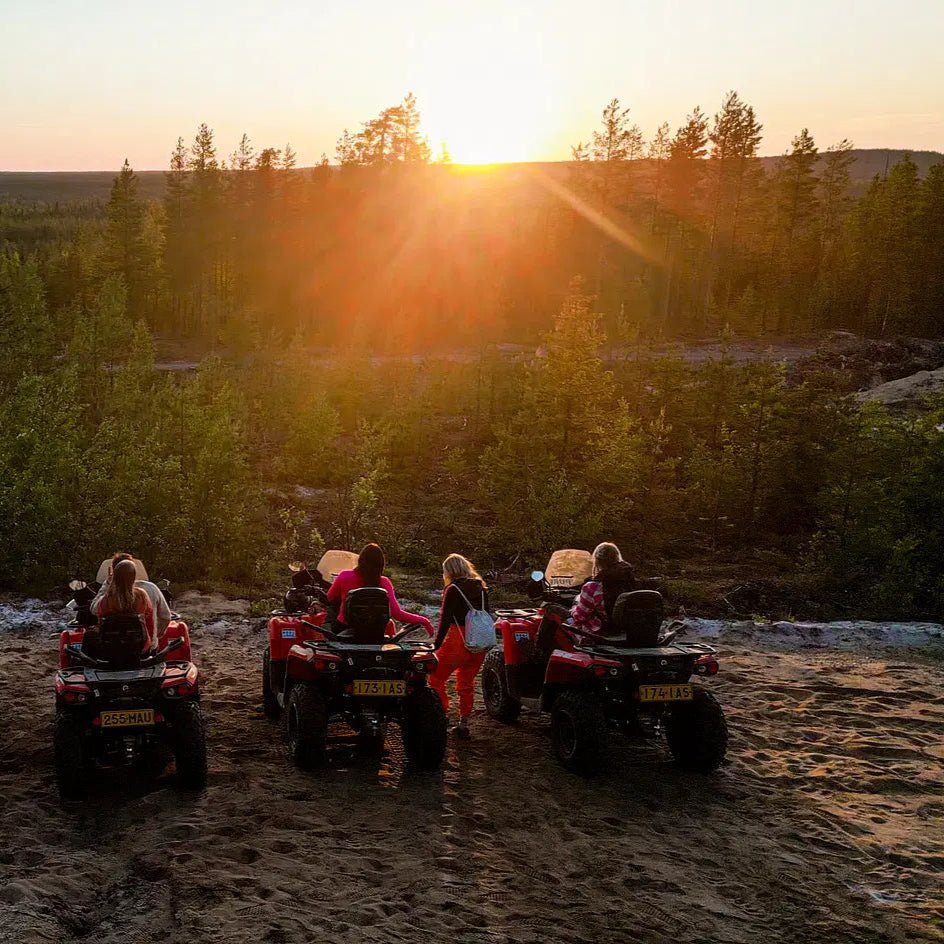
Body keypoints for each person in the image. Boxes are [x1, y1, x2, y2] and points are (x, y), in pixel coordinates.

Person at [428, 554, 490, 740]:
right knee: (466, 683)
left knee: (435, 678)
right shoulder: (481, 587)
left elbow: (445, 620)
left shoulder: (453, 589)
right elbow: (486, 615)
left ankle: (442, 716)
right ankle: (464, 723)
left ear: (449, 571)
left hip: (458, 640)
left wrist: (435, 646)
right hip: (479, 641)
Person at [326, 543, 434, 635]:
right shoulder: (384, 582)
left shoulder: (344, 576)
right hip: (375, 631)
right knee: (390, 623)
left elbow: (328, 599)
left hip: (344, 629)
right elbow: (397, 614)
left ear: (360, 560)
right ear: (381, 564)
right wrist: (424, 621)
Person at [92, 552, 172, 650]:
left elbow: (95, 611)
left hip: (112, 649)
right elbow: (161, 618)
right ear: (134, 573)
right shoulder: (144, 593)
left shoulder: (107, 598)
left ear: (114, 572)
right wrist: (154, 639)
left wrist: (108, 584)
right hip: (143, 649)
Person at [569, 542, 636, 636]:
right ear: (617, 557)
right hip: (629, 631)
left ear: (597, 561)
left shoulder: (592, 587)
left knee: (567, 623)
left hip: (604, 632)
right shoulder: (631, 581)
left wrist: (574, 608)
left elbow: (580, 617)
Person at [90, 558, 154, 655]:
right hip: (140, 648)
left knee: (88, 636)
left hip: (110, 649)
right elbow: (150, 623)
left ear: (114, 576)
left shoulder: (106, 600)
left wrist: (107, 585)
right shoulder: (141, 596)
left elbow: (99, 621)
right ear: (133, 577)